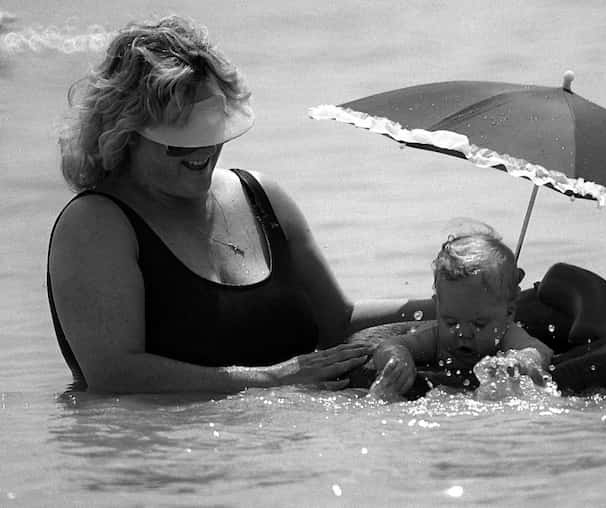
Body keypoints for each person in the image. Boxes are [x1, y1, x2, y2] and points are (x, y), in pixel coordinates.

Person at [47, 15, 431, 394]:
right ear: (125, 134)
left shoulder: (263, 196)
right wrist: (270, 379)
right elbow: (114, 375)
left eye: (210, 128)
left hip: (286, 444)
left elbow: (338, 322)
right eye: (179, 137)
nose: (202, 150)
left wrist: (450, 306)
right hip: (167, 453)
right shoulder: (95, 224)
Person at [369, 226, 553, 399]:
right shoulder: (435, 338)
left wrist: (521, 360)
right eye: (450, 322)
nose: (463, 333)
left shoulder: (508, 335)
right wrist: (398, 357)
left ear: (509, 313)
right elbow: (390, 345)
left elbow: (538, 350)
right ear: (438, 308)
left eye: (479, 324)